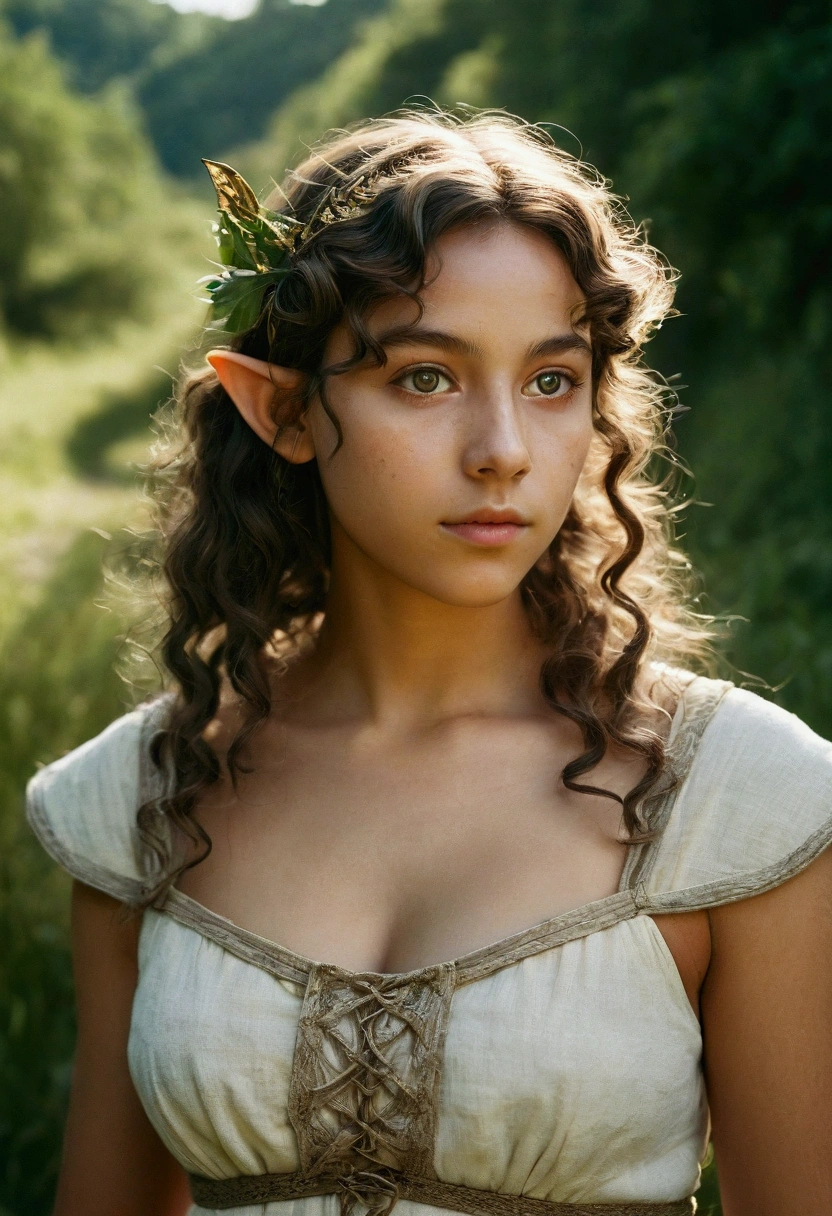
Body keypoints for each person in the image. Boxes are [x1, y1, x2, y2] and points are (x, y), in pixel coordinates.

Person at [26, 111, 832, 1216]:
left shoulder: (741, 799)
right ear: (281, 407)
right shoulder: (145, 794)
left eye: (551, 381)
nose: (502, 448)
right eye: (423, 377)